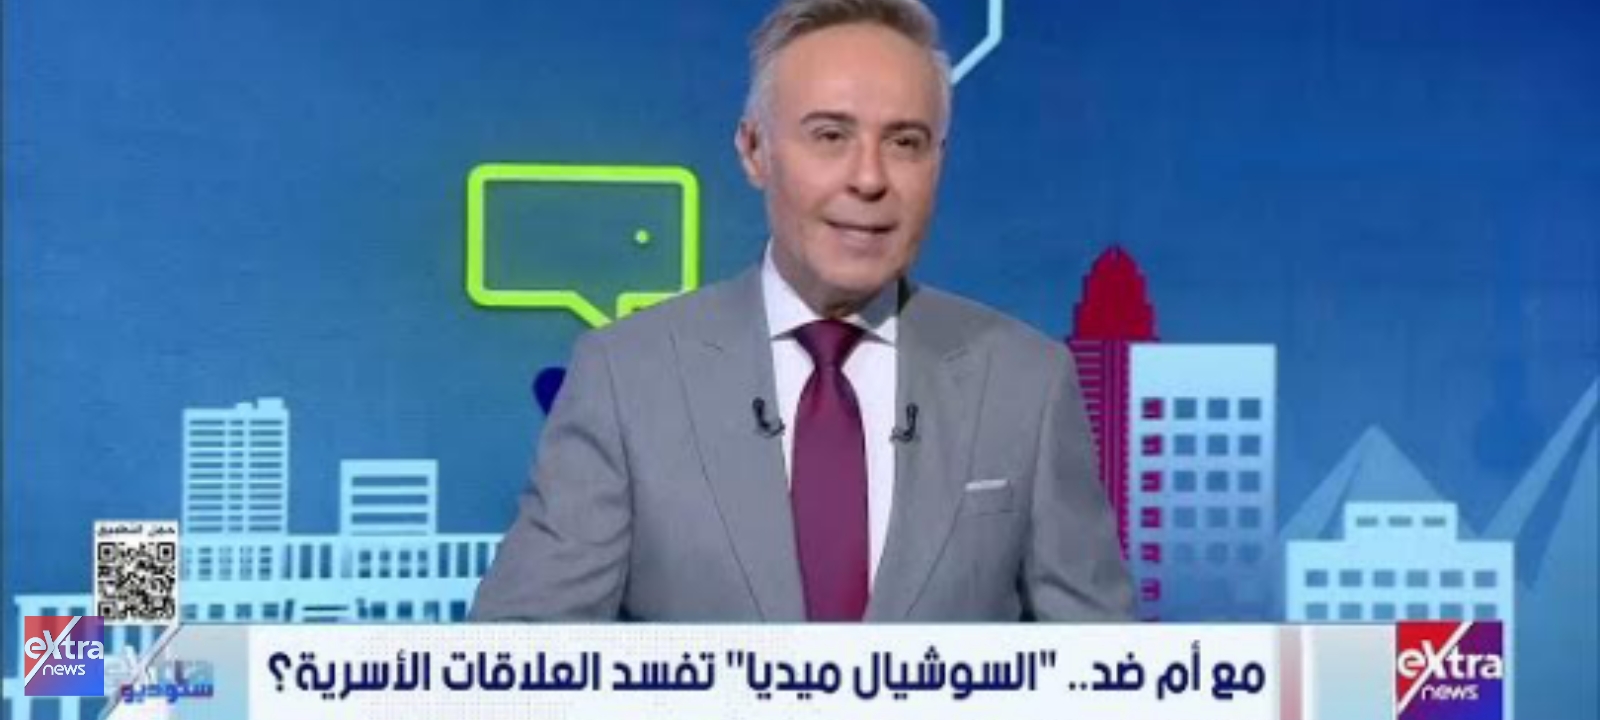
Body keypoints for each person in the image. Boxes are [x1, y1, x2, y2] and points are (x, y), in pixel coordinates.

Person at [472, 0, 1132, 622]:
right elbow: (518, 659)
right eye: (830, 136)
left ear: (939, 161)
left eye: (905, 143)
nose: (869, 178)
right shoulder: (626, 377)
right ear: (754, 150)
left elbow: (1105, 668)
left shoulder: (1027, 382)